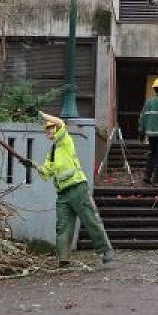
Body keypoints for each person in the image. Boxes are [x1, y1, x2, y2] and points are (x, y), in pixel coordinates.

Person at [38, 112, 114, 266]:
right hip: (63, 193)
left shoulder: (65, 140)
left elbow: (60, 122)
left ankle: (105, 251)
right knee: (63, 226)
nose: (49, 130)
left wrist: (43, 115)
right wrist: (32, 165)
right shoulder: (51, 153)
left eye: (51, 128)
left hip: (78, 187)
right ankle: (63, 258)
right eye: (47, 129)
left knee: (90, 219)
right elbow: (46, 172)